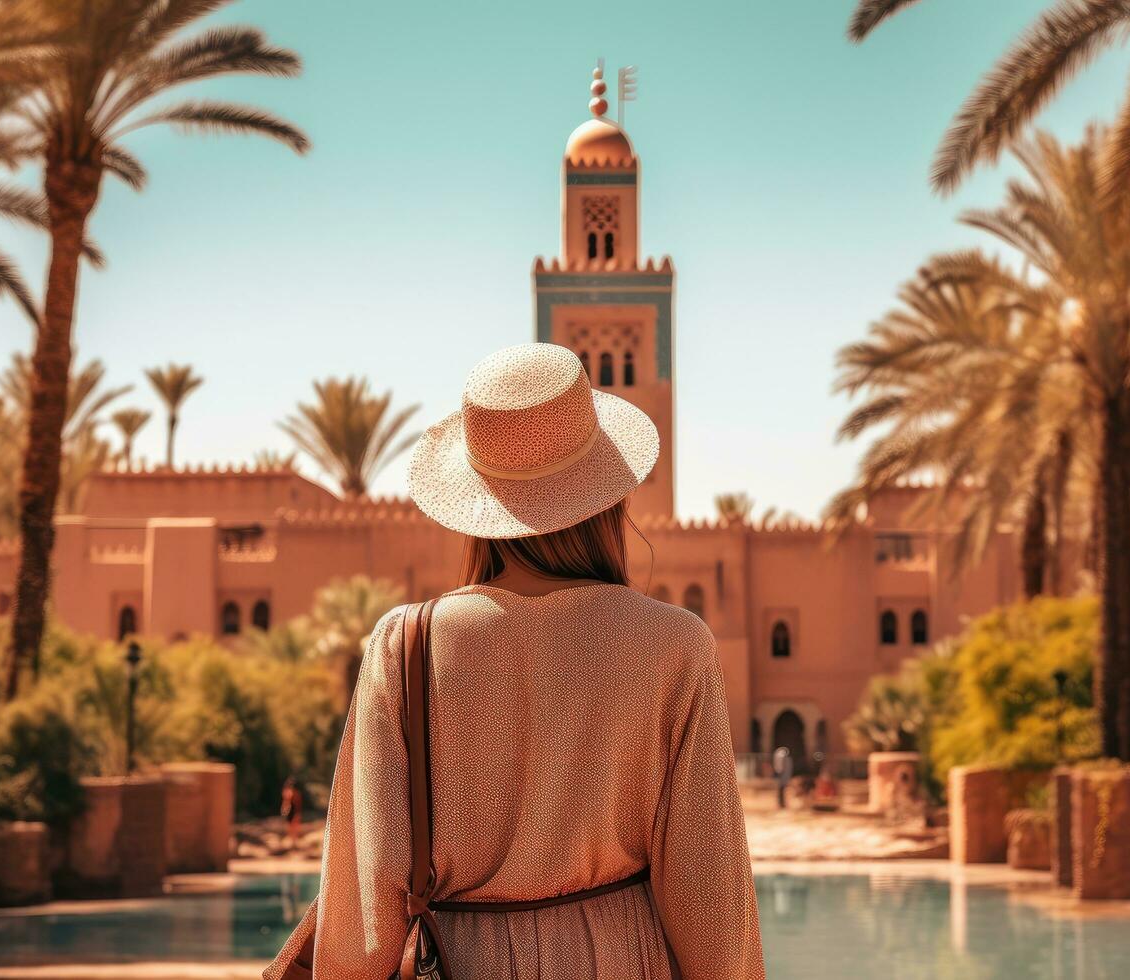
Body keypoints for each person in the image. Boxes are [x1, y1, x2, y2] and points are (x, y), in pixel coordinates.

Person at [291, 344, 764, 978]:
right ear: (606, 496)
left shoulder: (403, 647)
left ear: (475, 507)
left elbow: (365, 908)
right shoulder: (673, 646)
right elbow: (709, 905)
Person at [279, 775, 303, 853]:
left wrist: (297, 813)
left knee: (293, 827)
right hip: (290, 811)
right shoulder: (290, 792)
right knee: (291, 827)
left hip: (292, 811)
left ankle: (293, 844)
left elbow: (295, 804)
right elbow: (286, 802)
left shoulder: (293, 793)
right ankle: (292, 843)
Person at [772, 745, 794, 809]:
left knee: (783, 790)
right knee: (781, 790)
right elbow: (779, 768)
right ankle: (781, 804)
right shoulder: (783, 758)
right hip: (782, 776)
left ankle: (783, 804)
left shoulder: (786, 759)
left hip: (783, 776)